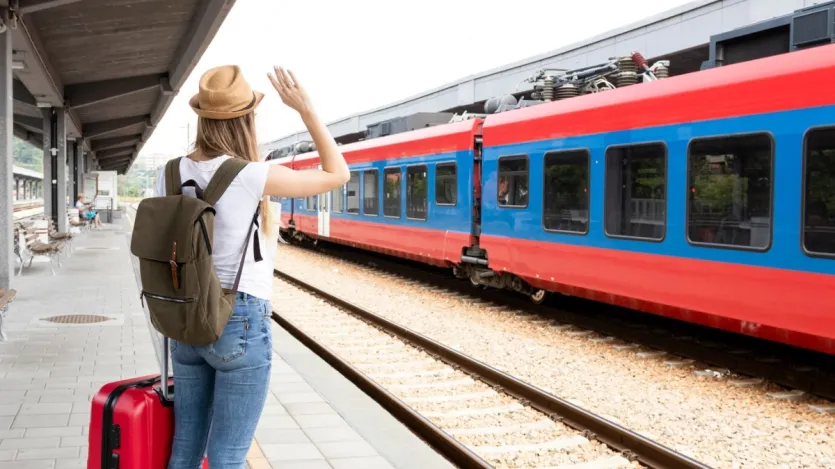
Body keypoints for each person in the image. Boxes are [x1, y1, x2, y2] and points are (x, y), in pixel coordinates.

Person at [156, 65, 349, 469]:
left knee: (186, 446)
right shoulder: (249, 175)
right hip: (238, 317)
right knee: (228, 455)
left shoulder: (170, 172)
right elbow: (337, 174)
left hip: (186, 319)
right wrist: (306, 109)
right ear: (245, 120)